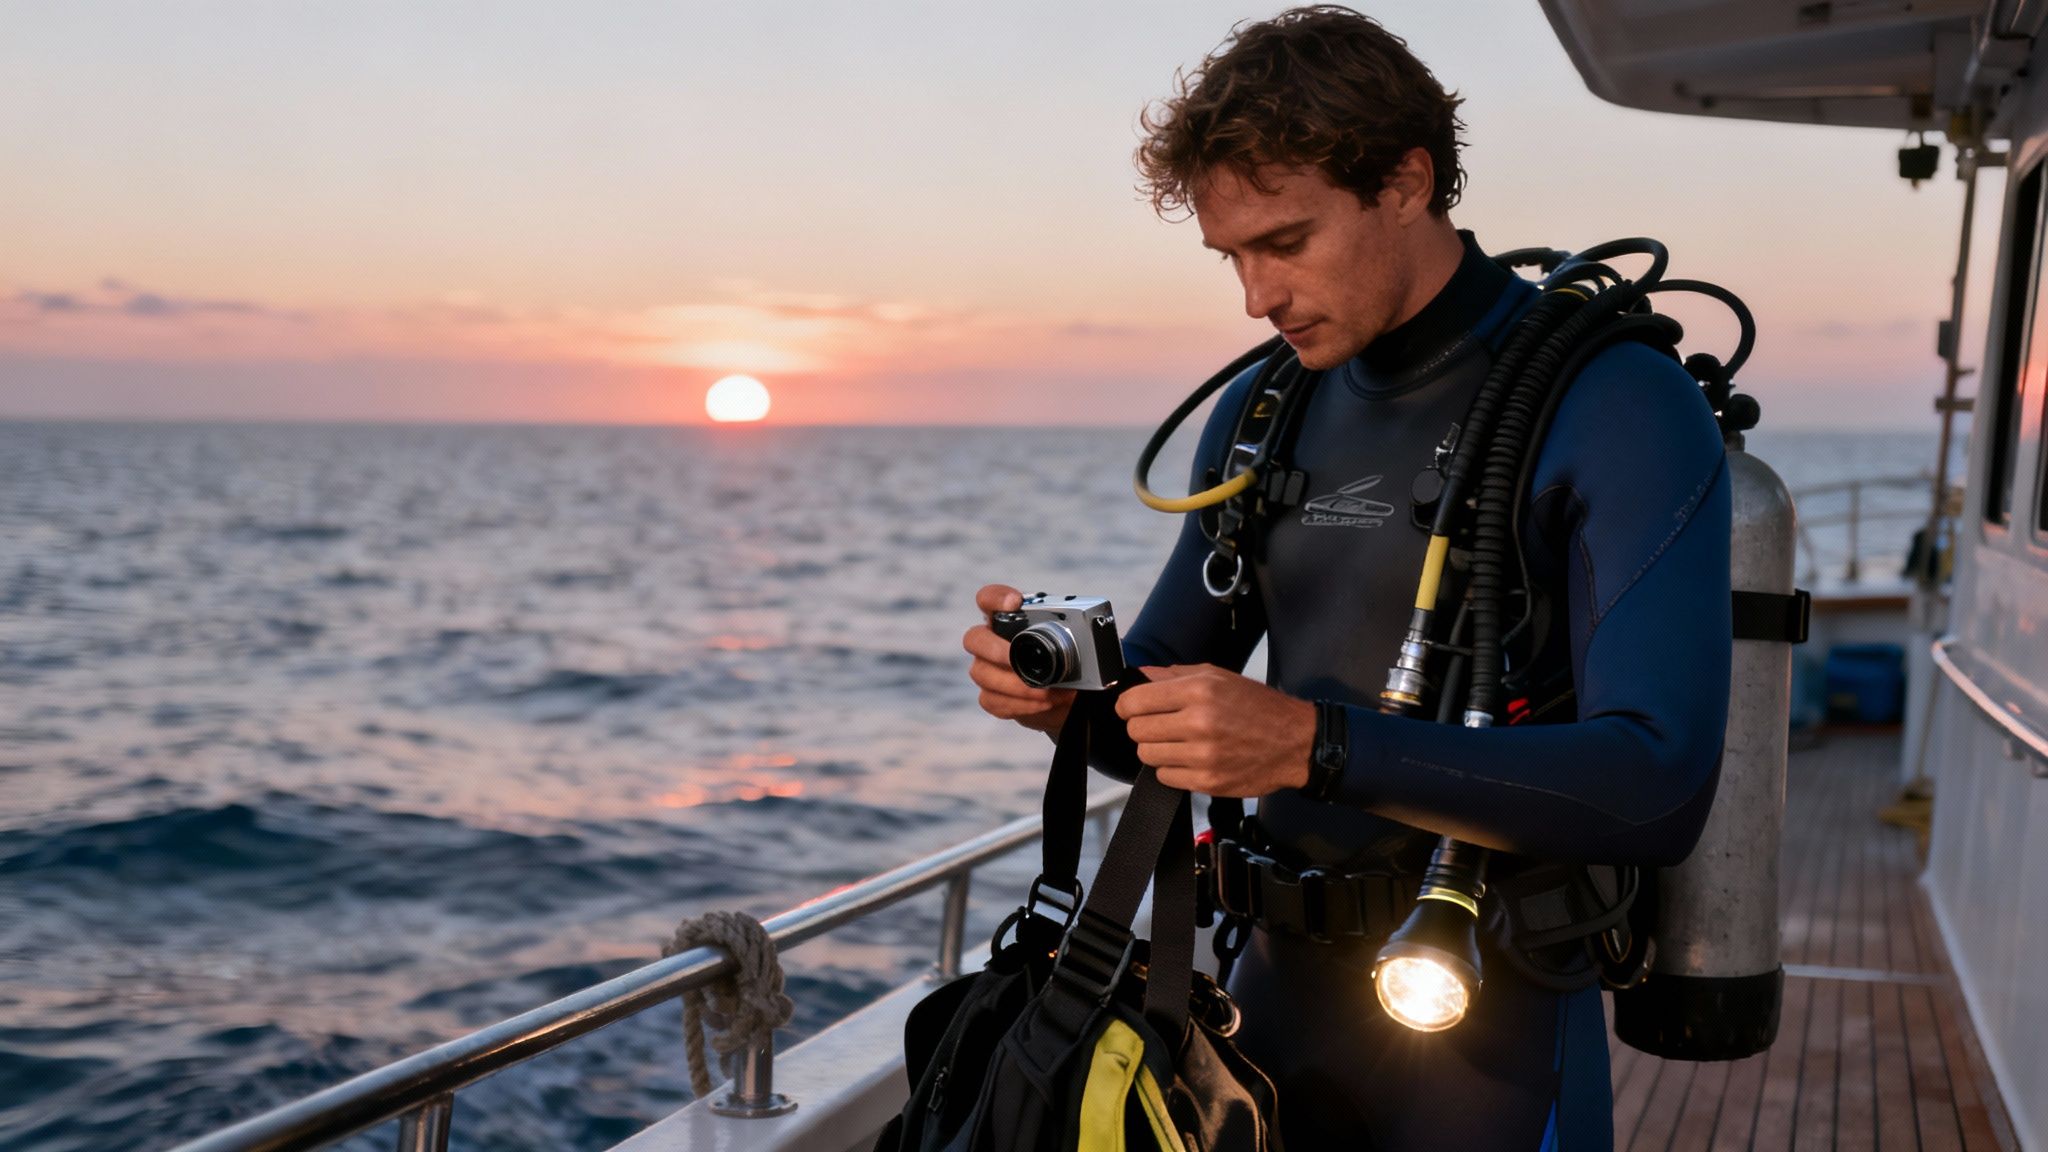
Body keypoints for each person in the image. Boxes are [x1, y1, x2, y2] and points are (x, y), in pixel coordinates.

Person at [963, 7, 1731, 1149]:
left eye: (1284, 242)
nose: (1254, 297)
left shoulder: (1615, 405)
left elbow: (1657, 787)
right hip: (1260, 1005)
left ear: (1406, 181)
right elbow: (1168, 711)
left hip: (1488, 1027)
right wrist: (1066, 702)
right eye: (1231, 256)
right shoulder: (1264, 409)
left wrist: (1307, 747)